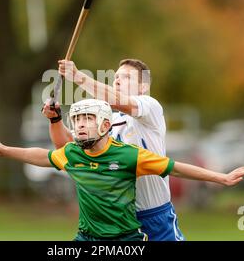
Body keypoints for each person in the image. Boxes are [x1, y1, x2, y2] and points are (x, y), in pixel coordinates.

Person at [0, 99, 244, 241]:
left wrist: (221, 177)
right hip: (87, 238)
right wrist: (4, 148)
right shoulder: (73, 153)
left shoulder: (128, 155)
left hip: (125, 239)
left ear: (104, 125)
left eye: (87, 119)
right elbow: (43, 156)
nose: (80, 125)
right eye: (77, 119)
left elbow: (176, 168)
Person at [41, 58, 185, 240]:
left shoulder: (150, 107)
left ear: (143, 87)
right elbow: (66, 148)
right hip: (118, 223)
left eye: (126, 77)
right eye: (116, 77)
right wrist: (55, 119)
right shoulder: (107, 123)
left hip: (155, 216)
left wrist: (78, 77)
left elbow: (118, 101)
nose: (117, 80)